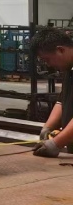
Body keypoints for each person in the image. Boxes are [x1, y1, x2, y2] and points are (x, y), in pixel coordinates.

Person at [29, 27, 73, 157]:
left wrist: (56, 143)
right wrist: (47, 127)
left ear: (60, 50)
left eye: (47, 59)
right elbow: (62, 101)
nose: (48, 65)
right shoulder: (69, 69)